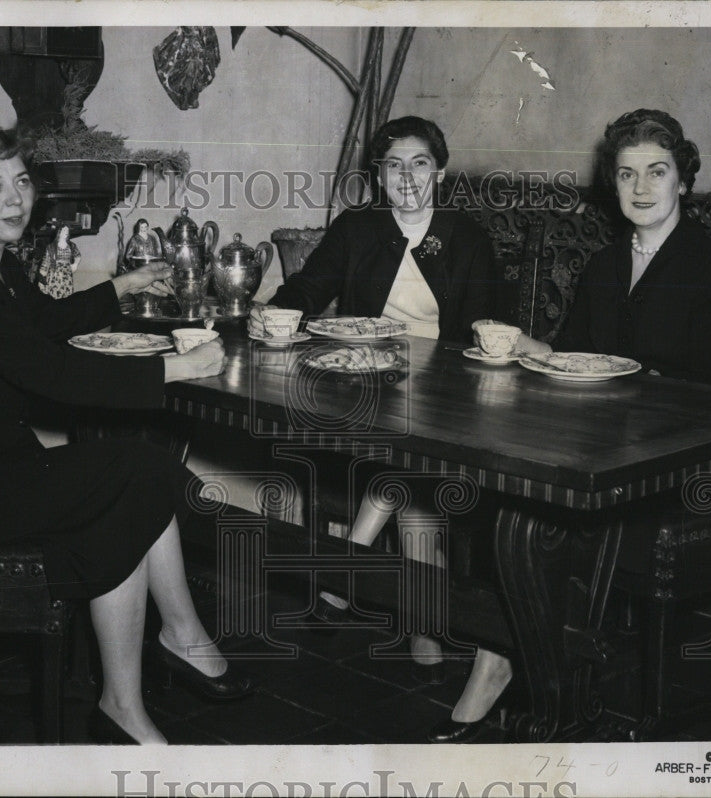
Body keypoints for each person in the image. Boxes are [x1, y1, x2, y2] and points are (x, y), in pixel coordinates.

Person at [0, 124, 252, 745]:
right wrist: (175, 367)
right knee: (138, 472)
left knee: (127, 482)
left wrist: (120, 287)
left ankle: (132, 692)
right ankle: (179, 639)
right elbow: (53, 371)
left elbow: (45, 322)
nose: (15, 199)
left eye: (21, 181)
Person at [249, 115, 513, 743]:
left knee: (415, 453)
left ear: (440, 172)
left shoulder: (466, 236)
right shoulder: (359, 227)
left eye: (420, 163)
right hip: (368, 377)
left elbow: (487, 318)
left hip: (450, 385)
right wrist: (277, 316)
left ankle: (356, 557)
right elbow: (312, 286)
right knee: (412, 463)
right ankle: (418, 628)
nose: (407, 177)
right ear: (378, 176)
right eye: (394, 165)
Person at [517, 108, 711, 388]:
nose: (640, 188)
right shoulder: (602, 265)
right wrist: (521, 345)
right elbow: (574, 356)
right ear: (615, 186)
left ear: (681, 183)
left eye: (656, 173)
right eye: (627, 175)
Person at [34, 224, 81, 298]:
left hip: (67, 278)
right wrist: (41, 280)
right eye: (64, 230)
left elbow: (78, 255)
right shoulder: (51, 247)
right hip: (54, 277)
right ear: (60, 232)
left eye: (67, 231)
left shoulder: (71, 246)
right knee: (53, 299)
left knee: (67, 300)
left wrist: (75, 264)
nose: (66, 232)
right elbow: (45, 263)